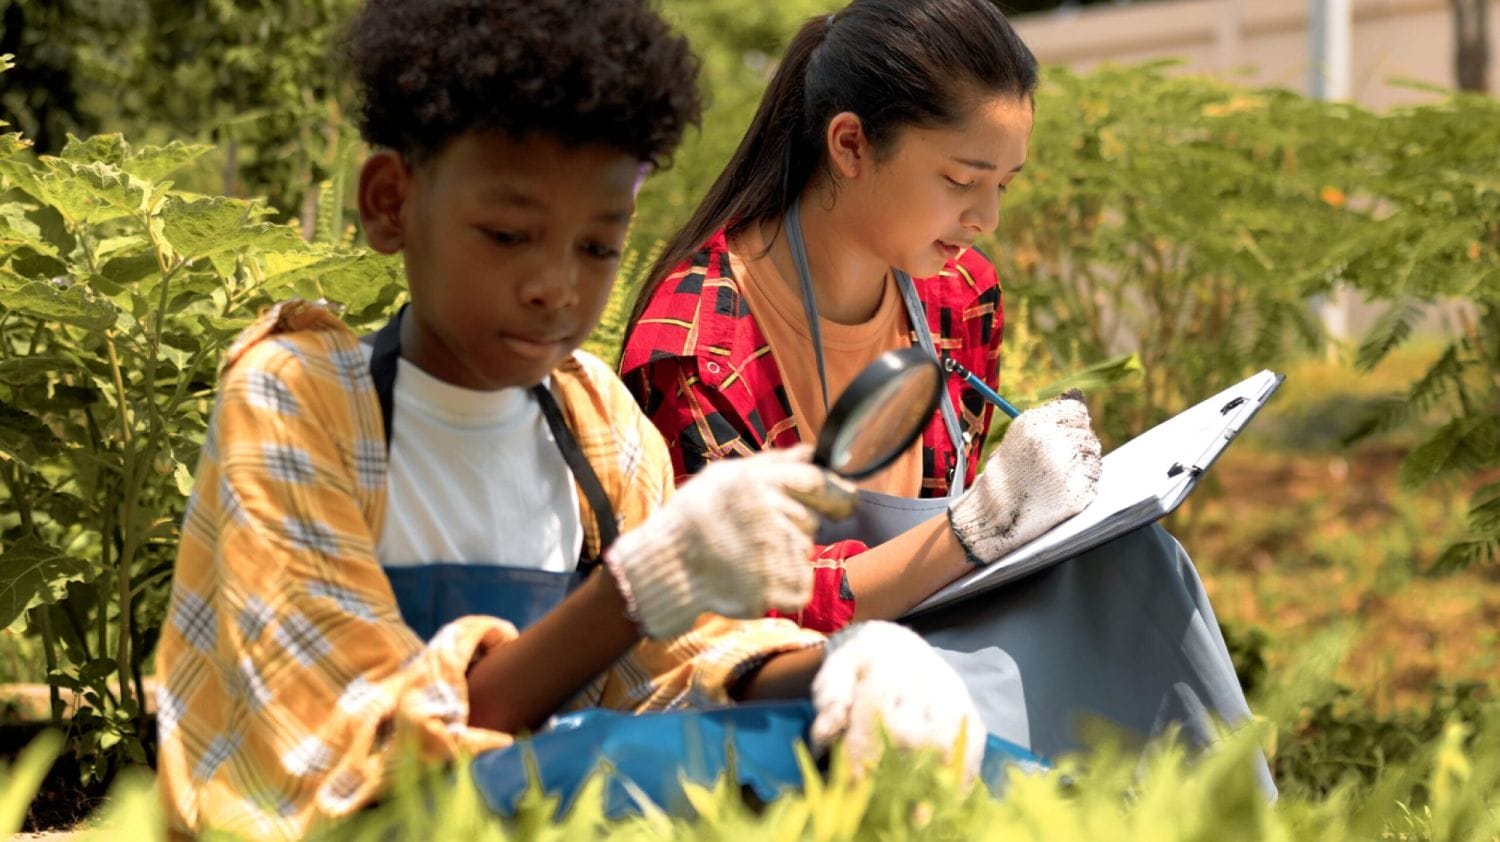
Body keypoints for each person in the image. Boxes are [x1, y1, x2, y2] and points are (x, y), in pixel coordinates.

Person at [154, 1, 996, 837]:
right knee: (660, 764)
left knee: (920, 756)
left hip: (543, 795)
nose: (556, 286)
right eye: (509, 234)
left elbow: (680, 665)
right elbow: (368, 756)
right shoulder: (299, 399)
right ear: (390, 203)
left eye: (597, 247)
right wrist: (641, 586)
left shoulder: (594, 421)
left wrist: (845, 672)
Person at [619, 0, 1272, 789]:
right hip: (793, 691)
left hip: (932, 622)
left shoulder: (961, 295)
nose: (987, 217)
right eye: (962, 180)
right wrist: (978, 526)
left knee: (1138, 563)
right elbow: (736, 628)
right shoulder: (698, 346)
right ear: (851, 144)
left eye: (1004, 183)